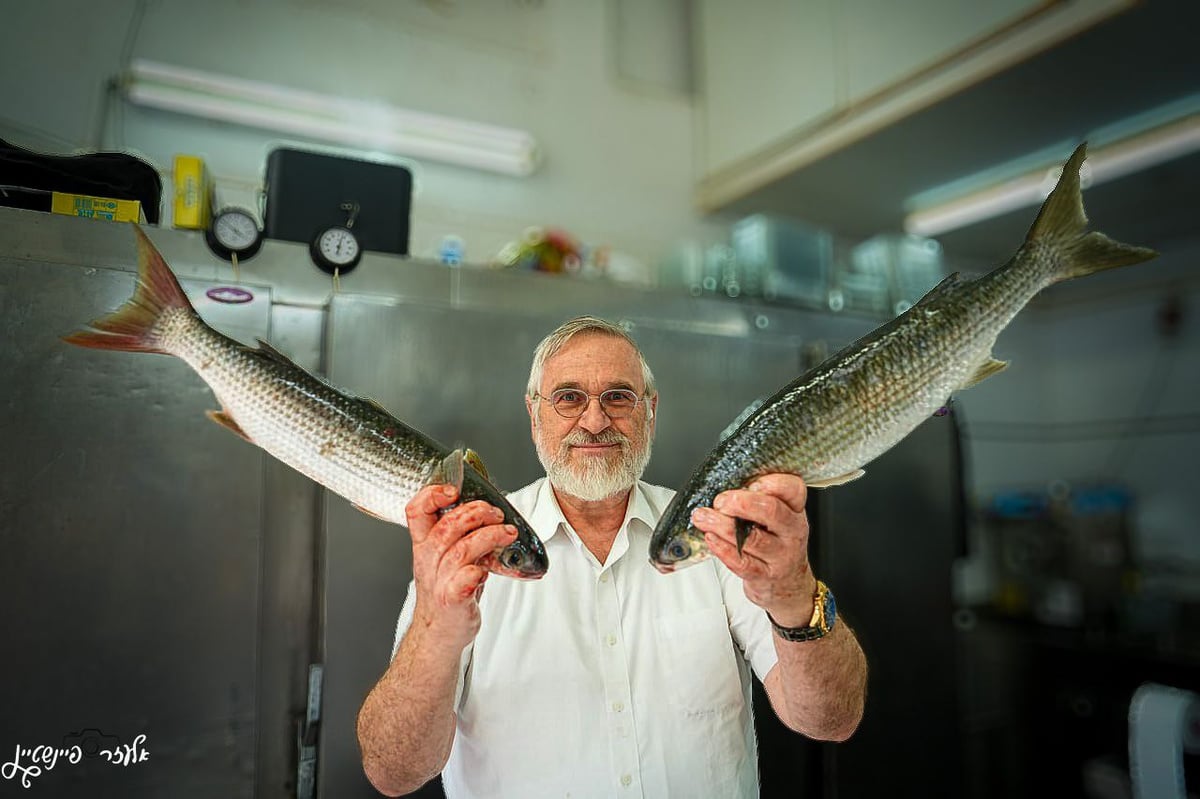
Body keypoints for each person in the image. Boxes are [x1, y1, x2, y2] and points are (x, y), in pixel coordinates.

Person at [357, 316, 868, 798]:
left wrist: (797, 596)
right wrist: (436, 628)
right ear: (534, 414)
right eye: (569, 398)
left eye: (619, 397)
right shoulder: (473, 546)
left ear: (650, 410)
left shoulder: (712, 530)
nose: (595, 420)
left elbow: (829, 719)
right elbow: (395, 771)